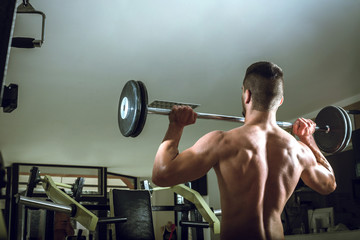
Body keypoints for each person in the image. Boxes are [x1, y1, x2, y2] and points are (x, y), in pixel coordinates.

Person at [152, 61, 336, 240]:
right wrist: (309, 140)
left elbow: (161, 175)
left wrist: (176, 126)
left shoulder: (221, 141)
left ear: (247, 95)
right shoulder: (298, 150)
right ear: (280, 101)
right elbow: (329, 185)